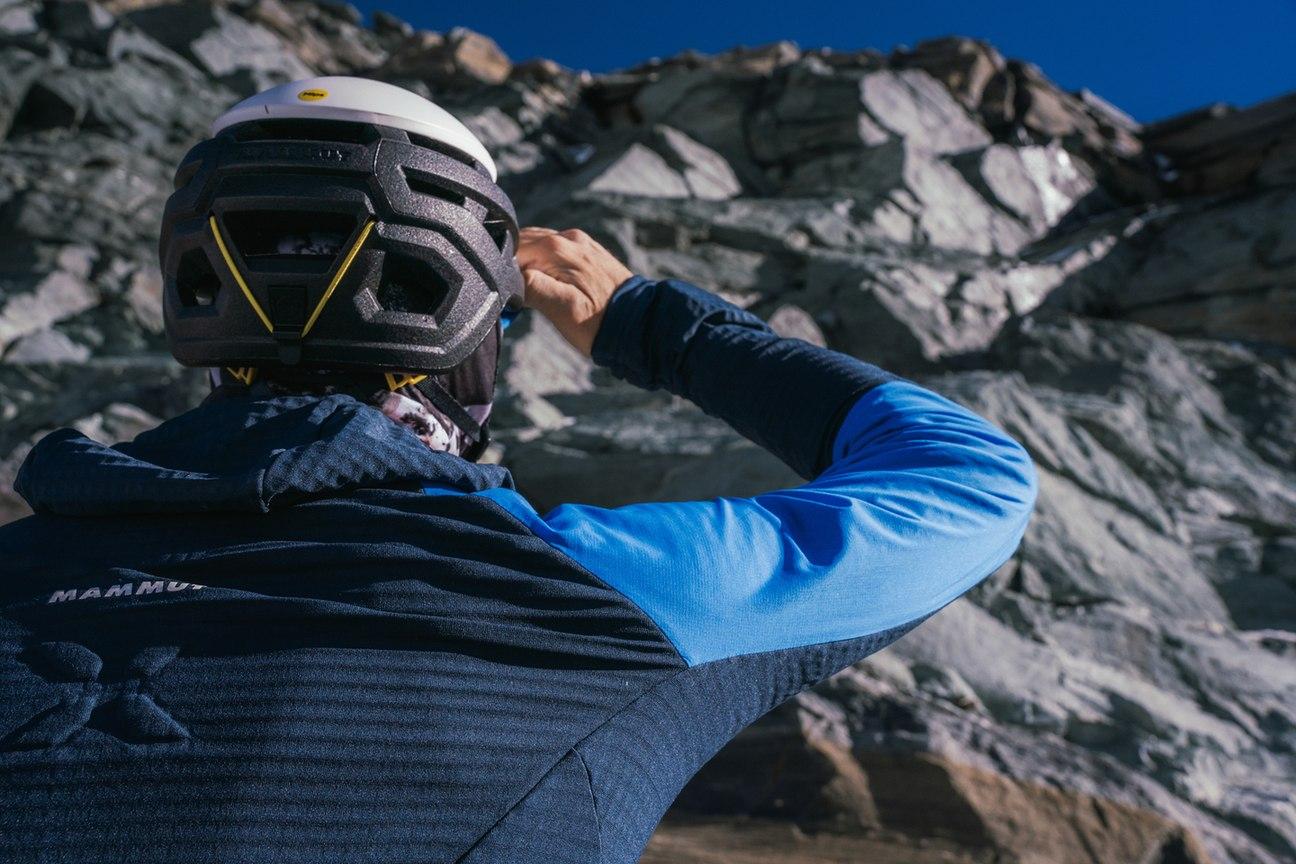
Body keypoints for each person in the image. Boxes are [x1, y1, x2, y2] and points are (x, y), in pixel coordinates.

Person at [0, 77, 1037, 864]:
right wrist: (646, 322)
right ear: (468, 329)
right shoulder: (582, 596)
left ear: (197, 287)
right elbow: (968, 479)